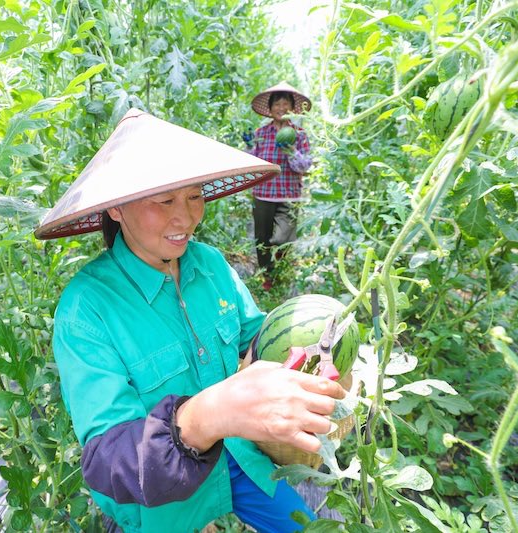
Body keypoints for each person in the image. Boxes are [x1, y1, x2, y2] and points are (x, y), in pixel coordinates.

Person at [35, 109, 345, 533]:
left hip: (238, 455)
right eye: (165, 200)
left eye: (195, 195)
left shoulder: (210, 265)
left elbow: (253, 341)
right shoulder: (86, 309)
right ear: (117, 210)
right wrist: (201, 419)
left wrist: (314, 354)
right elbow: (108, 461)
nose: (186, 217)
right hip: (159, 501)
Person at [247, 82, 313, 290]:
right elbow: (251, 161)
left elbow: (304, 166)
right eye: (278, 104)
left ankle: (281, 267)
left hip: (289, 195)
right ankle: (268, 277)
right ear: (271, 108)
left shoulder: (299, 134)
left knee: (284, 237)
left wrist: (292, 151)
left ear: (292, 109)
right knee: (262, 238)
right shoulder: (261, 133)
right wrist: (249, 145)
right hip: (263, 193)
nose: (281, 108)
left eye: (286, 104)